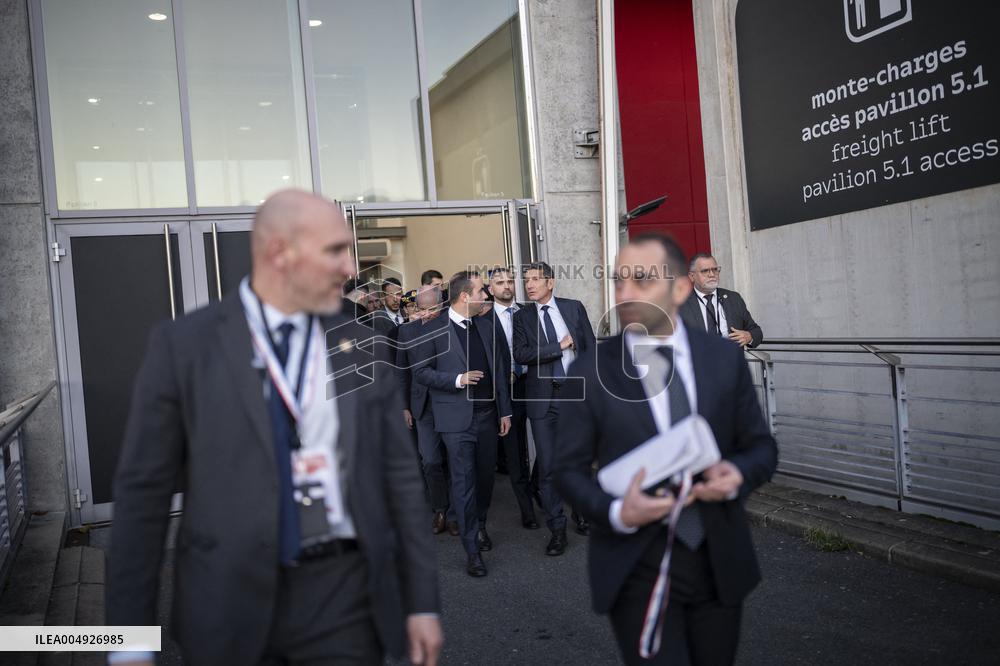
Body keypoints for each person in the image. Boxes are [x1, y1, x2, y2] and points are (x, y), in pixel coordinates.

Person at [107, 189, 442, 666]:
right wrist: (129, 643)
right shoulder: (186, 347)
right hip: (226, 603)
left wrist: (422, 600)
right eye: (334, 250)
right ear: (279, 253)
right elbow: (143, 497)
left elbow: (402, 480)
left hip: (344, 598)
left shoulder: (360, 346)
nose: (350, 268)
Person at [554, 233, 777, 665]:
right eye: (619, 281)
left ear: (678, 288)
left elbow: (760, 448)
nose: (626, 292)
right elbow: (567, 470)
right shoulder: (592, 369)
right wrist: (618, 511)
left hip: (716, 559)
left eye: (641, 279)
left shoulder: (722, 358)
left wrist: (737, 476)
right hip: (636, 564)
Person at [413, 271, 512, 577]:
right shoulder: (433, 329)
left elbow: (500, 370)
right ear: (465, 296)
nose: (488, 296)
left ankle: (479, 524)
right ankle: (472, 549)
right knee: (463, 483)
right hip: (455, 421)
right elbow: (421, 372)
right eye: (483, 291)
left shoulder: (487, 325)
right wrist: (457, 379)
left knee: (485, 480)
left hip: (488, 416)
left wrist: (505, 412)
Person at [512, 261, 596, 556]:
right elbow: (520, 354)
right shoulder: (522, 316)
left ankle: (581, 513)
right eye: (526, 280)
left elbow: (590, 350)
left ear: (551, 282)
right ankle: (557, 529)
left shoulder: (573, 308)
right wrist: (557, 347)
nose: (529, 284)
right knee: (548, 467)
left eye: (535, 279)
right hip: (542, 400)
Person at [486, 266, 539, 530]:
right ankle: (526, 508)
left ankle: (538, 485)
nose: (507, 286)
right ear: (490, 288)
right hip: (506, 390)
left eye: (510, 281)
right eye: (500, 282)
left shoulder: (530, 313)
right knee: (515, 451)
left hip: (534, 384)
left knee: (550, 441)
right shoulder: (484, 320)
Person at [396, 286, 452, 535]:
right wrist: (404, 406)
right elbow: (402, 371)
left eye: (433, 308)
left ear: (442, 305)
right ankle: (440, 508)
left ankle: (457, 514)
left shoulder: (453, 326)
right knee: (430, 461)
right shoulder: (406, 331)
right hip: (422, 405)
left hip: (451, 401)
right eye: (422, 308)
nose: (428, 314)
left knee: (456, 460)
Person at [679, 253, 763, 348]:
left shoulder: (733, 298)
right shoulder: (681, 303)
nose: (712, 274)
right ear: (691, 276)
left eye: (715, 270)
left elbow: (756, 331)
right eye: (705, 271)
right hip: (699, 361)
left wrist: (749, 336)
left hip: (731, 360)